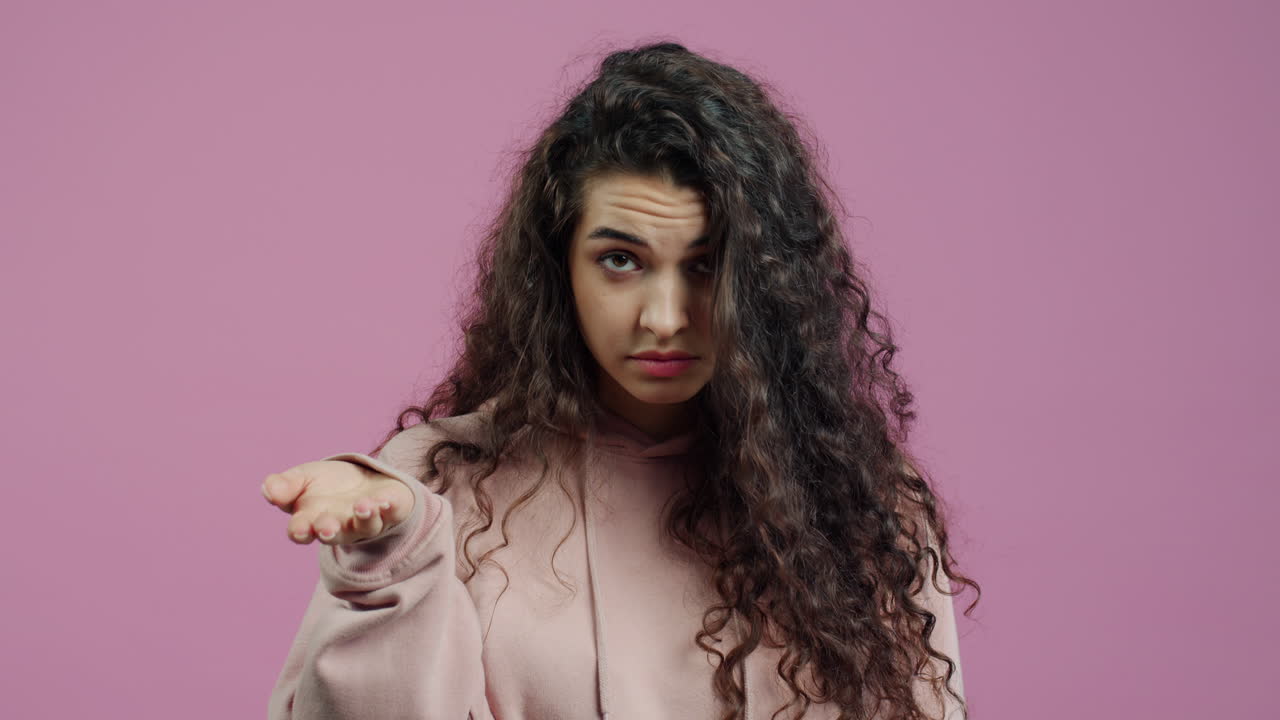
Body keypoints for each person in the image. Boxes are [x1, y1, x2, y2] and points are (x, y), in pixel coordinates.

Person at [262, 41, 979, 720]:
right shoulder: (435, 487)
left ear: (765, 282)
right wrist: (388, 564)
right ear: (558, 264)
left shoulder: (866, 507)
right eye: (621, 261)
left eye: (706, 265)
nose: (664, 319)